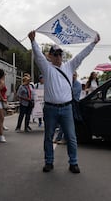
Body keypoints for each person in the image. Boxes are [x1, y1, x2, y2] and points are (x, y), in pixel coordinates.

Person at [28, 30, 100, 174]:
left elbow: (81, 56)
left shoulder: (69, 66)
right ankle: (49, 162)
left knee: (71, 137)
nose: (59, 56)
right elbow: (38, 55)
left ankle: (73, 162)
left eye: (60, 54)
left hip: (66, 108)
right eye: (55, 54)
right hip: (50, 109)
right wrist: (33, 41)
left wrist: (93, 43)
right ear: (50, 56)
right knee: (48, 137)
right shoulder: (47, 68)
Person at [54, 72, 81, 144]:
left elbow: (72, 93)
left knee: (68, 123)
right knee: (63, 122)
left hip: (73, 105)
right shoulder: (68, 82)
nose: (73, 76)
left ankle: (65, 139)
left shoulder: (78, 84)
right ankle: (58, 137)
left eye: (74, 75)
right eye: (72, 75)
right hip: (66, 104)